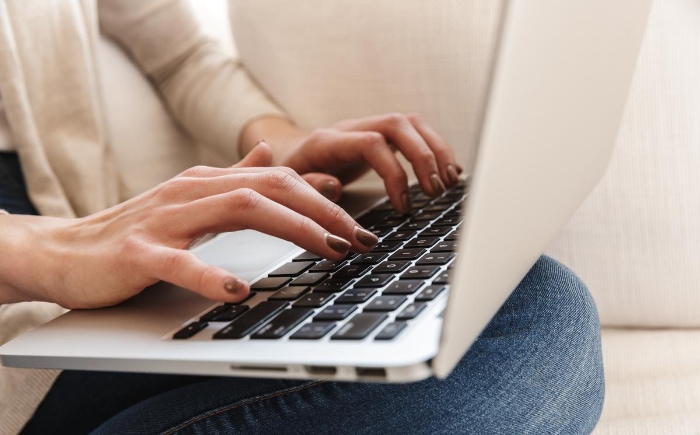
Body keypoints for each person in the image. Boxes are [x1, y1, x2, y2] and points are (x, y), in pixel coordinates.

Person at [0, 0, 604, 433]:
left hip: (83, 310)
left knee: (530, 304)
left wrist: (281, 143)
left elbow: (181, 57)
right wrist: (36, 253)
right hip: (21, 314)